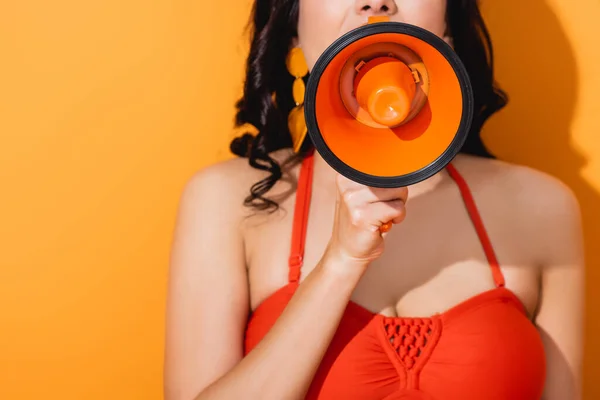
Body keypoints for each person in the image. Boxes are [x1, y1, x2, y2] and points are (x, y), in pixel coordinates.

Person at [163, 1, 585, 399]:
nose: (376, 2)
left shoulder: (541, 208)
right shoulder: (227, 203)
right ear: (293, 24)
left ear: (449, 19)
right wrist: (340, 263)